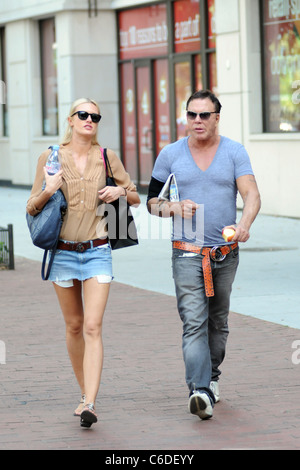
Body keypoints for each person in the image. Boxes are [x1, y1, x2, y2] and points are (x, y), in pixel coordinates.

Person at [26, 98, 140, 428]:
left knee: (92, 326)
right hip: (61, 252)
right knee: (74, 325)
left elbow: (134, 194)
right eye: (83, 115)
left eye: (95, 116)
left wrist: (118, 193)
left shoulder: (107, 157)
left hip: (97, 250)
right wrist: (48, 191)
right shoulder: (49, 158)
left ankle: (90, 402)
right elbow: (31, 207)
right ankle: (83, 393)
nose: (90, 119)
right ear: (71, 120)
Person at [147, 90, 261, 420]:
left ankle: (212, 377)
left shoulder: (234, 152)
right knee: (193, 321)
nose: (198, 120)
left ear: (216, 118)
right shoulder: (170, 154)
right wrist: (173, 207)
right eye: (192, 114)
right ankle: (199, 389)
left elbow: (251, 193)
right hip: (186, 252)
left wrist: (244, 223)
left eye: (204, 115)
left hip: (224, 253)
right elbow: (152, 201)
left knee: (218, 321)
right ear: (186, 117)